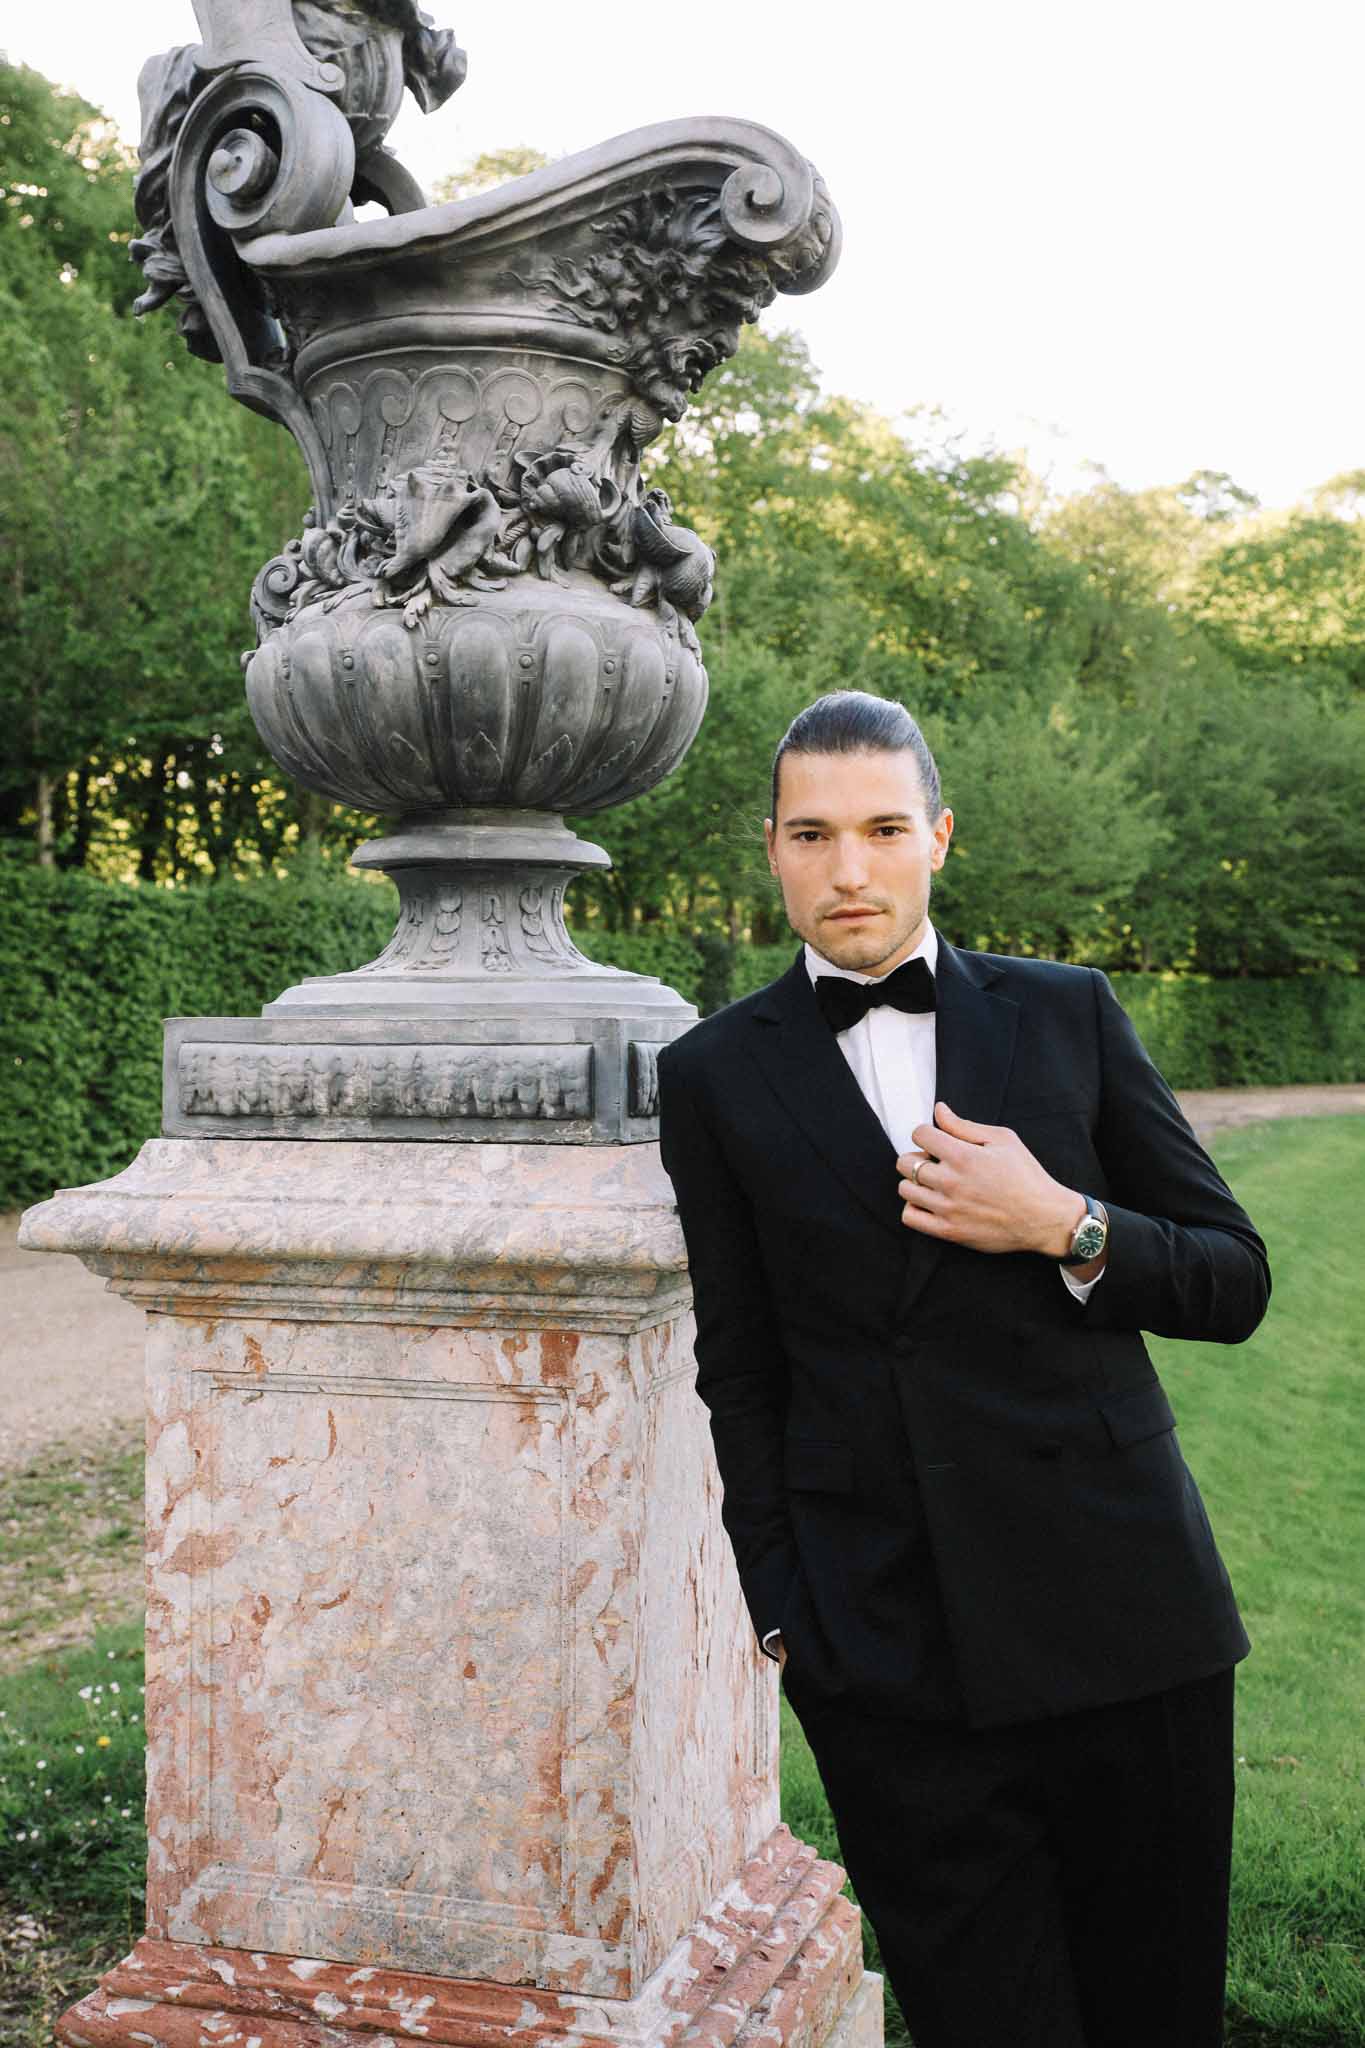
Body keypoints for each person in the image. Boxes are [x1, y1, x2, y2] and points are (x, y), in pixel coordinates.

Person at [656, 690, 1270, 2048]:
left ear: (937, 836)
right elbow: (738, 1365)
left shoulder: (1066, 1016)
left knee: (1149, 2013)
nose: (849, 868)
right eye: (811, 834)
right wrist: (781, 1606)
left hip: (1125, 1617)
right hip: (883, 1650)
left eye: (881, 828)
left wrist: (1063, 1220)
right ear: (770, 848)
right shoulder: (706, 1075)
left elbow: (1232, 1281)